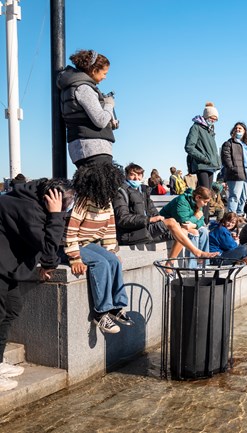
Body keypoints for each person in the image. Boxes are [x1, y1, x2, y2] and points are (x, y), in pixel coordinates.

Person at [0, 178, 72, 391]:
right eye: (68, 201)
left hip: (6, 267)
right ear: (53, 198)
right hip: (2, 267)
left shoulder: (27, 200)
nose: (70, 204)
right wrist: (56, 214)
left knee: (11, 310)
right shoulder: (29, 209)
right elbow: (48, 248)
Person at [63, 163, 133, 335]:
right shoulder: (82, 201)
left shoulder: (106, 202)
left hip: (90, 243)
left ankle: (116, 306)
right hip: (75, 243)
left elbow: (109, 229)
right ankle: (101, 313)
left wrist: (112, 251)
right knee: (100, 264)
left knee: (113, 261)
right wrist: (75, 258)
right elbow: (70, 231)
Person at [113, 163, 217, 263]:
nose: (136, 178)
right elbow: (122, 219)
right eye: (132, 175)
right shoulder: (121, 192)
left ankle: (169, 264)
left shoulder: (143, 191)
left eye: (139, 175)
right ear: (126, 175)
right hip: (131, 233)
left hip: (146, 229)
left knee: (183, 230)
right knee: (172, 222)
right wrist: (149, 219)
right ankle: (197, 253)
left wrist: (158, 219)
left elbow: (153, 211)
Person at [57, 49, 118, 168]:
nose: (105, 77)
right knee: (102, 185)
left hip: (81, 147)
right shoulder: (84, 88)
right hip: (94, 148)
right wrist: (109, 104)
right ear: (94, 71)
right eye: (104, 73)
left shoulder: (71, 86)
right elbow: (100, 120)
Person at [185, 102, 221, 224]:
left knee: (208, 194)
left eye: (215, 119)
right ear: (206, 116)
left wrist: (217, 161)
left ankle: (205, 219)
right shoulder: (196, 127)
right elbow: (189, 147)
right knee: (203, 194)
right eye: (212, 118)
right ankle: (199, 218)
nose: (213, 121)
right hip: (202, 165)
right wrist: (204, 158)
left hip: (211, 166)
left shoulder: (210, 130)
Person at [159, 186, 213, 267]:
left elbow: (202, 220)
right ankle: (191, 267)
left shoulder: (197, 203)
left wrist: (194, 224)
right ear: (198, 197)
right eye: (205, 202)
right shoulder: (182, 201)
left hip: (184, 224)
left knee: (204, 230)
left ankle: (204, 264)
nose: (205, 205)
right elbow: (184, 221)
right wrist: (196, 217)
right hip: (167, 226)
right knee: (194, 232)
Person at [221, 122, 247, 216]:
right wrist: (233, 168)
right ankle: (231, 217)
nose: (238, 129)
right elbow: (226, 157)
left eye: (240, 128)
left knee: (243, 197)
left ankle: (240, 215)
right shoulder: (229, 143)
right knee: (234, 196)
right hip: (236, 173)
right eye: (236, 128)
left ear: (244, 131)